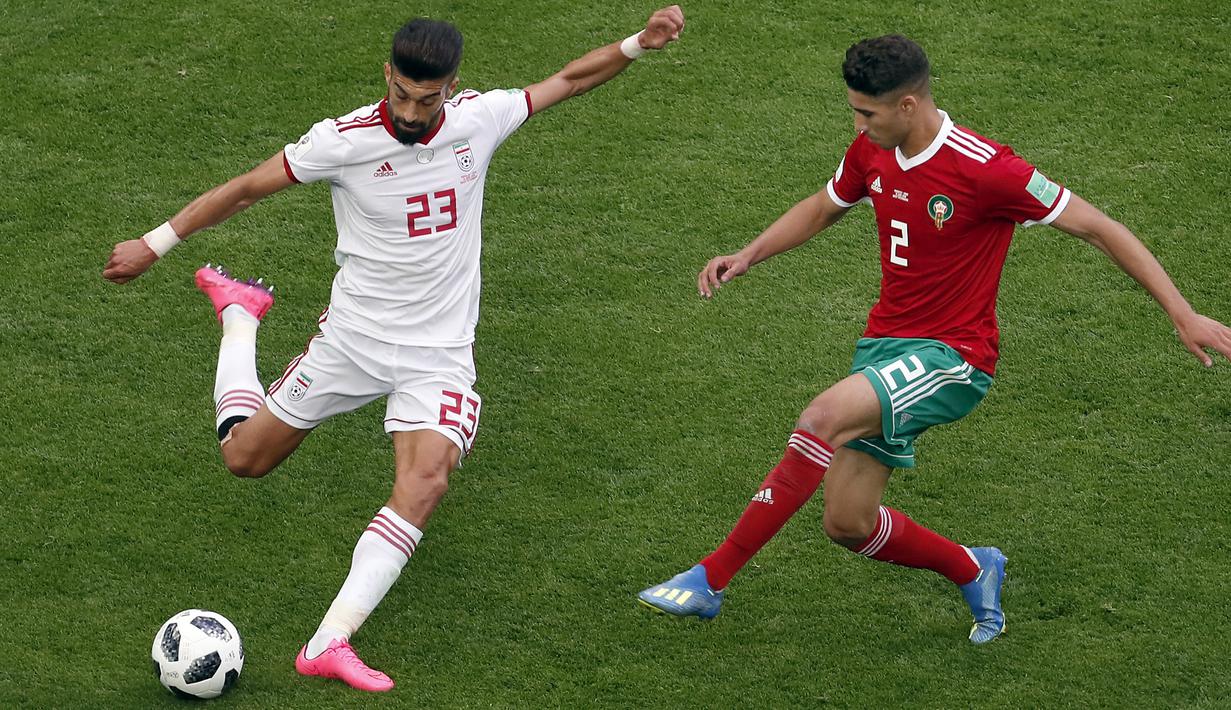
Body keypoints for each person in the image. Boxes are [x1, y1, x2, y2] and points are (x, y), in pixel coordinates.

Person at [104, 7, 685, 692]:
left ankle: (328, 641)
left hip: (437, 354)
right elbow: (243, 190)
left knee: (426, 480)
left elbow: (568, 80)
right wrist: (156, 242)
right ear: (387, 74)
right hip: (351, 342)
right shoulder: (342, 142)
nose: (411, 111)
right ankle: (240, 318)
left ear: (451, 86)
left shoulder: (478, 119)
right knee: (244, 459)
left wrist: (637, 45)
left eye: (426, 97)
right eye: (401, 93)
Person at [638, 34, 1231, 644]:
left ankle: (710, 580)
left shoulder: (987, 169)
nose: (858, 123)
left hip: (954, 358)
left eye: (866, 112)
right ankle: (975, 567)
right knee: (847, 523)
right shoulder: (872, 150)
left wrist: (1182, 313)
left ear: (908, 107)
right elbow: (824, 205)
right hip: (884, 348)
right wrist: (749, 254)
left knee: (820, 417)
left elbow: (1099, 228)